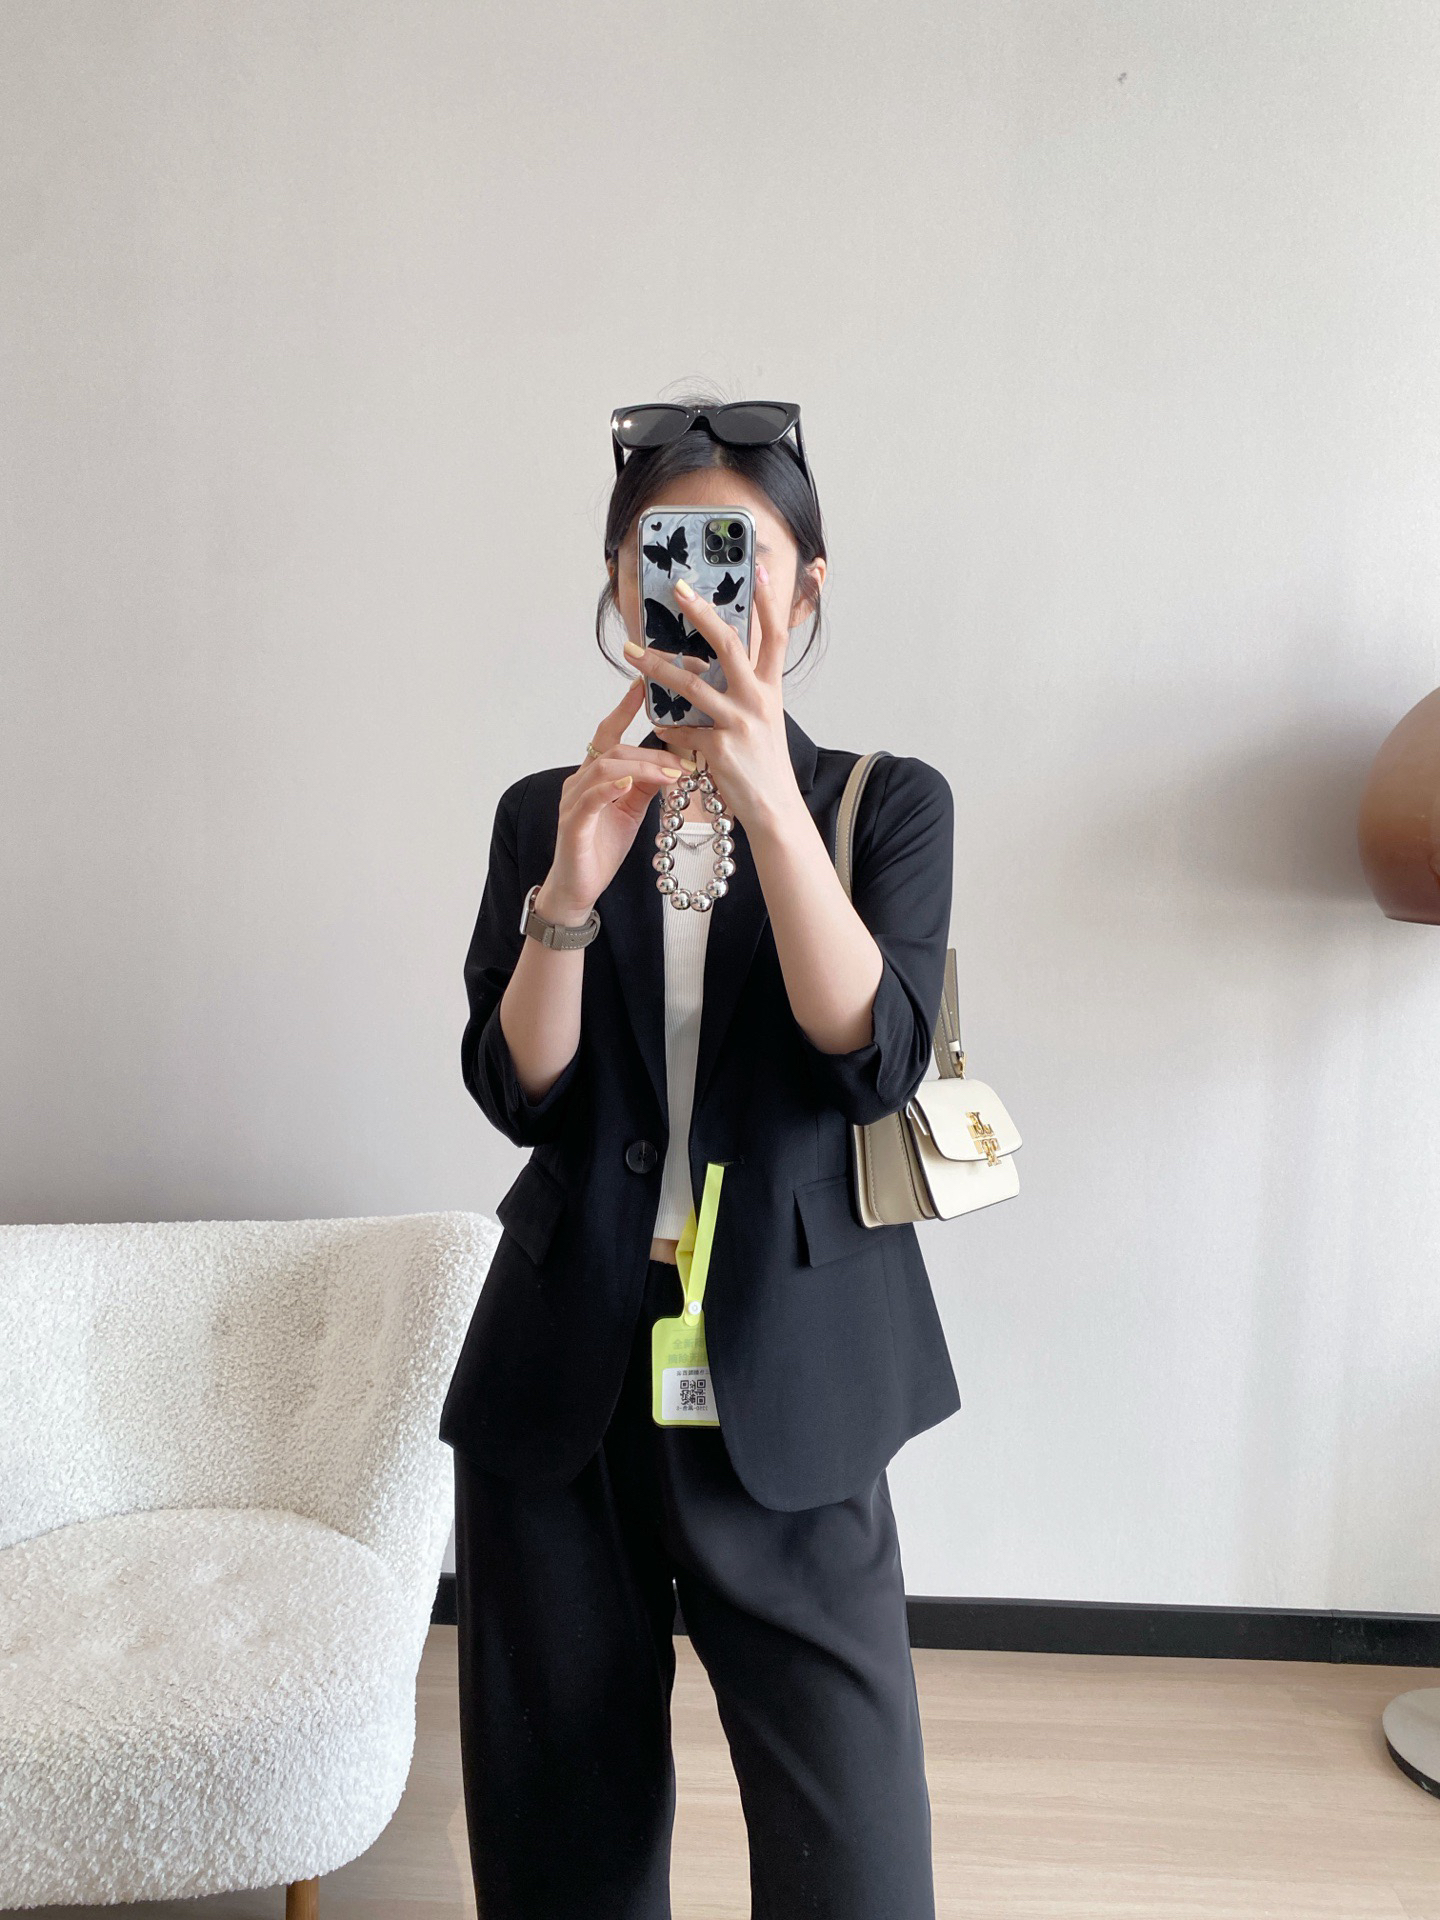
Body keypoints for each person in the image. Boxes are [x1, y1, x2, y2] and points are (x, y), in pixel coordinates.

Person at [439, 397, 961, 1919]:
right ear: (618, 585)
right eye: (659, 555)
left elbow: (871, 1059)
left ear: (804, 587)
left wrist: (769, 803)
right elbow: (521, 1092)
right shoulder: (546, 812)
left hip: (794, 1372)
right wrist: (566, 891)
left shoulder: (886, 805)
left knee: (854, 1860)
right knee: (563, 1846)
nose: (693, 585)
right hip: (565, 1376)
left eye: (738, 553)